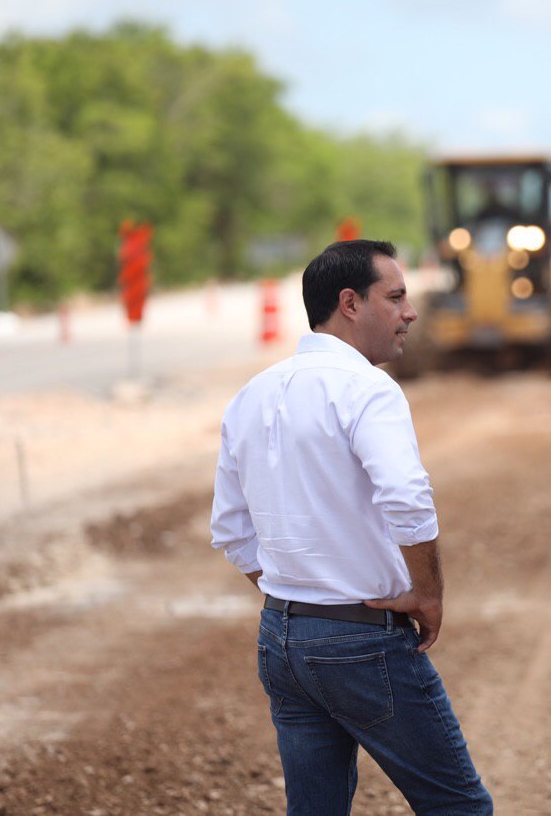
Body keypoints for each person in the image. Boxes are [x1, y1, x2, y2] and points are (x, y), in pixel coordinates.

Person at [209, 239, 492, 815]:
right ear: (350, 303)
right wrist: (428, 593)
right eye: (396, 297)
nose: (410, 312)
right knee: (459, 807)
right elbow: (408, 499)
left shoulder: (251, 395)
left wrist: (299, 594)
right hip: (362, 638)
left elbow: (232, 531)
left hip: (282, 640)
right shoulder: (368, 389)